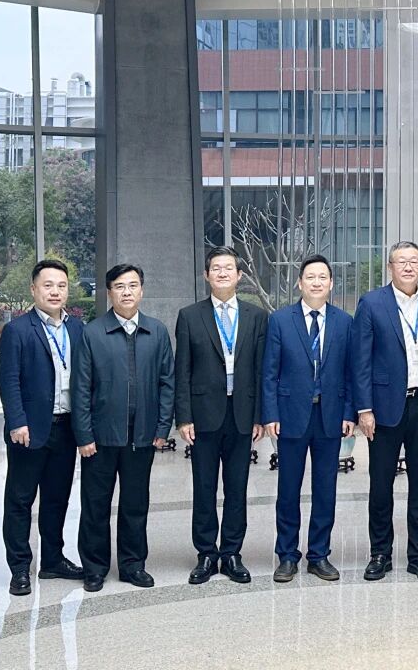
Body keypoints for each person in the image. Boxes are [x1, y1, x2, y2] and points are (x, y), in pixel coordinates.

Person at [73, 263, 174, 592]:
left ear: (141, 291)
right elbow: (81, 387)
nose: (126, 292)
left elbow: (167, 383)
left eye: (132, 286)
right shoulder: (92, 333)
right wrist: (84, 434)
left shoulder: (157, 331)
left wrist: (162, 427)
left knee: (135, 504)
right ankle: (94, 568)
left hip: (142, 437)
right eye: (119, 286)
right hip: (100, 438)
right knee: (95, 505)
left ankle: (133, 565)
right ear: (109, 293)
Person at [354, 241, 418, 583]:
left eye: (414, 262)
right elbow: (360, 359)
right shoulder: (372, 303)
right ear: (390, 267)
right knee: (381, 484)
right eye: (401, 262)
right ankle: (380, 553)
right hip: (384, 407)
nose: (408, 267)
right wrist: (364, 408)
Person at [175, 246, 268, 585]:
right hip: (203, 415)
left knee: (237, 487)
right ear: (206, 275)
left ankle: (231, 553)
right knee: (203, 486)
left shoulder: (257, 316)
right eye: (216, 268)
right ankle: (205, 553)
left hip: (242, 414)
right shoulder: (190, 316)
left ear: (239, 275)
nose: (223, 273)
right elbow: (182, 370)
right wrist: (183, 417)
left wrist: (259, 415)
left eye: (229, 268)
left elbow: (261, 370)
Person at [262, 254, 356, 583]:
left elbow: (351, 371)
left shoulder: (344, 322)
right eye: (310, 277)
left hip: (330, 416)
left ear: (331, 284)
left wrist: (349, 412)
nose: (317, 282)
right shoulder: (280, 320)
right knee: (288, 489)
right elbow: (269, 372)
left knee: (325, 489)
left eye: (322, 277)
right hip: (291, 416)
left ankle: (319, 555)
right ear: (299, 283)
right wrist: (270, 413)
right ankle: (287, 555)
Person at [0, 259, 86, 596]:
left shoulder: (77, 329)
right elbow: (8, 380)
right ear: (34, 289)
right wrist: (17, 421)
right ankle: (20, 568)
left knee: (56, 498)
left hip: (66, 428)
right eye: (48, 285)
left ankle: (52, 560)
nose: (55, 291)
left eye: (61, 286)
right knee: (20, 501)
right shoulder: (18, 330)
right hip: (30, 429)